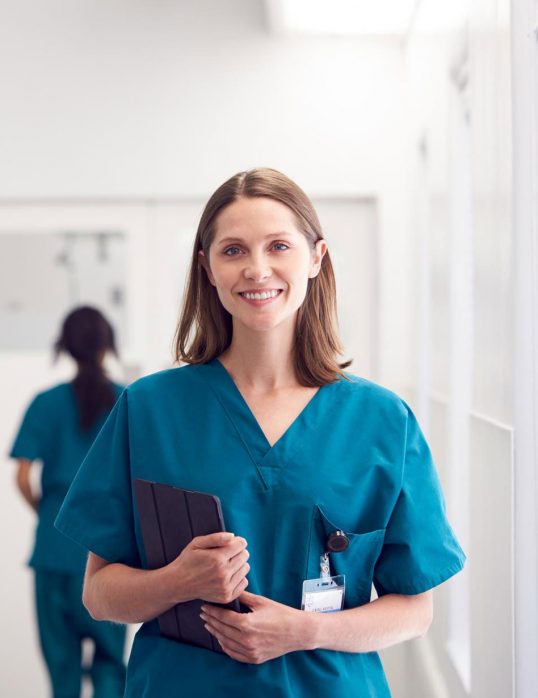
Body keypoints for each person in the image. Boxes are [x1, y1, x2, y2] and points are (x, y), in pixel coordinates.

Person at [55, 169, 466, 697]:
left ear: (316, 257)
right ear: (207, 269)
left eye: (278, 246)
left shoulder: (382, 420)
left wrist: (306, 630)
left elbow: (414, 609)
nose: (257, 269)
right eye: (232, 251)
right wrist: (179, 581)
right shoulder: (150, 409)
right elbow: (99, 593)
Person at [10, 306, 127, 698]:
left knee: (62, 672)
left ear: (64, 347)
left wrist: (50, 513)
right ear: (107, 345)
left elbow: (23, 476)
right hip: (109, 554)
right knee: (112, 668)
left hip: (53, 553)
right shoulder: (127, 401)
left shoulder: (45, 402)